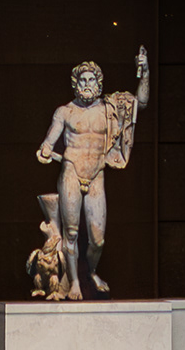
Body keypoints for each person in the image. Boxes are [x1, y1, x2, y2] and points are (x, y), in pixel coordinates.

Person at [35, 47, 150, 298]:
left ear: (99, 83)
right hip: (71, 171)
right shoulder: (65, 112)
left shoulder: (111, 109)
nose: (87, 84)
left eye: (92, 80)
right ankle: (74, 282)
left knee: (98, 239)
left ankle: (92, 271)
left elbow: (140, 102)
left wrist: (144, 72)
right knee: (72, 232)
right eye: (83, 79)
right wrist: (44, 151)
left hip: (97, 172)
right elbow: (48, 143)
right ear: (76, 84)